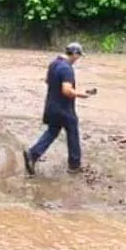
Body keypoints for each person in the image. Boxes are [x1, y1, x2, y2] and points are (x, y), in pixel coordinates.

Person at [23, 42, 94, 176]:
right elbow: (67, 91)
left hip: (51, 106)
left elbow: (47, 81)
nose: (78, 59)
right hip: (64, 109)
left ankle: (32, 154)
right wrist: (81, 94)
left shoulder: (54, 63)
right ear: (74, 54)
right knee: (72, 131)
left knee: (52, 131)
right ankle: (74, 165)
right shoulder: (67, 68)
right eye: (78, 55)